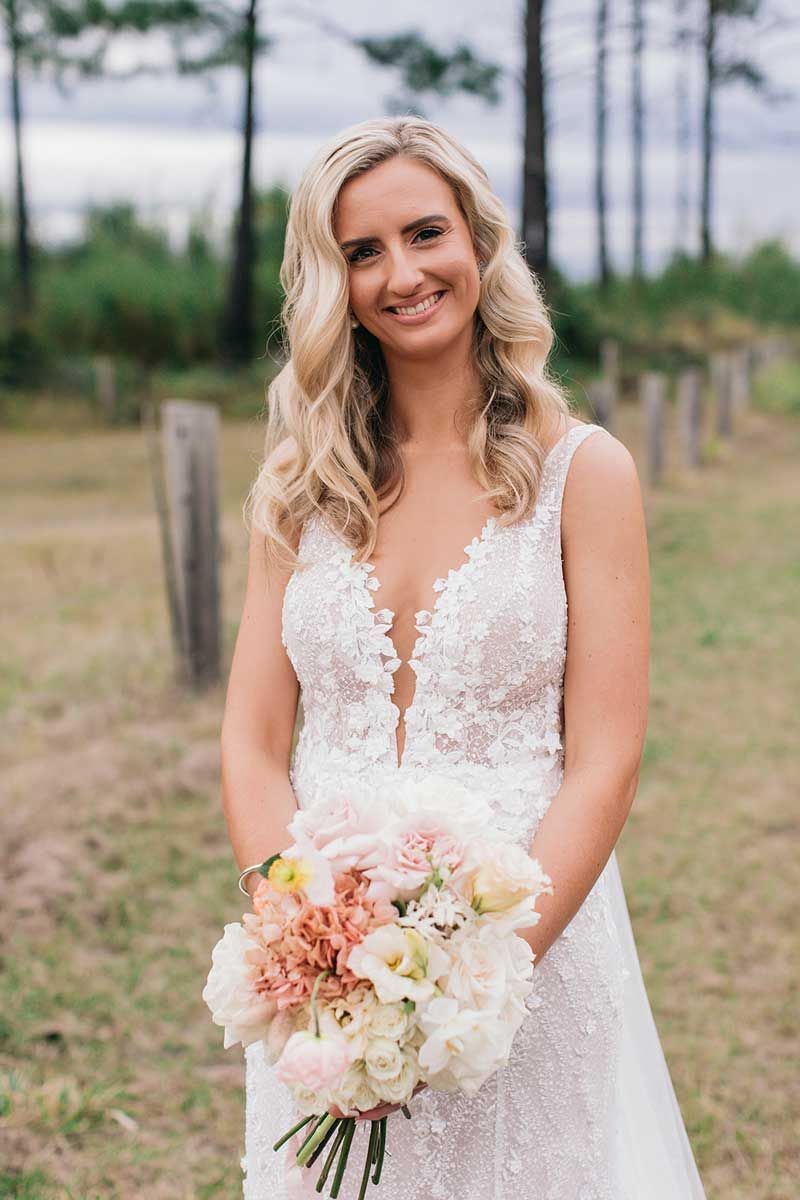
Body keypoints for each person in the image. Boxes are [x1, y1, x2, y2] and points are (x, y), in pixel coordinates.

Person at [220, 116, 706, 1199]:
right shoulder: (299, 483)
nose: (402, 273)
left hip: (525, 948)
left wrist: (469, 978)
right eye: (361, 252)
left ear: (478, 243)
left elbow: (604, 758)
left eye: (424, 233)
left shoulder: (585, 472)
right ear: (330, 282)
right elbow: (253, 743)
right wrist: (308, 947)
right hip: (329, 980)